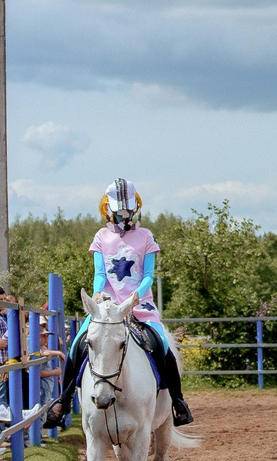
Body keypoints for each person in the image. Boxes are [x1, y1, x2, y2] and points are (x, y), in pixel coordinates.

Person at [45, 179, 194, 429]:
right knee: (77, 344)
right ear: (109, 210)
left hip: (139, 303)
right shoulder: (101, 237)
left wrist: (135, 295)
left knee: (162, 343)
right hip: (107, 305)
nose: (123, 216)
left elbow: (148, 275)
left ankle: (178, 402)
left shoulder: (146, 236)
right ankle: (65, 400)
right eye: (119, 212)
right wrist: (96, 295)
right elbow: (101, 274)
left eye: (127, 212)